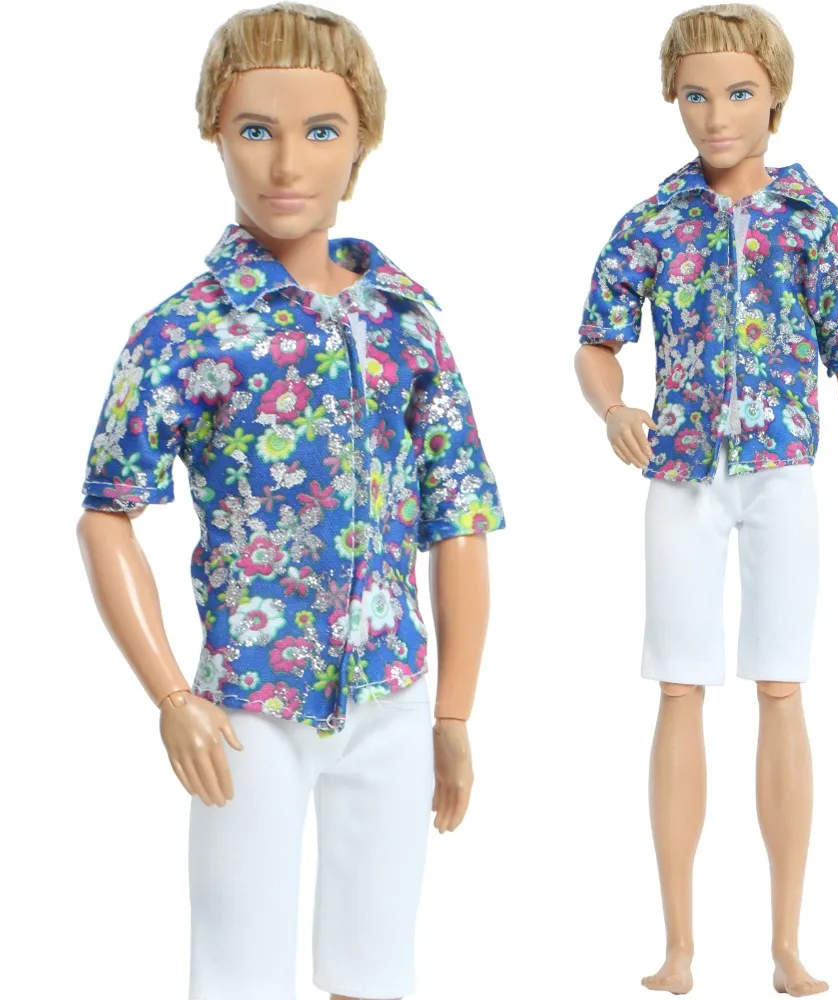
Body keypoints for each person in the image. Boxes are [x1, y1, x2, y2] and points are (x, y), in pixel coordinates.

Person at [76, 5, 504, 999]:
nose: (285, 164)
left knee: (377, 964)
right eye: (254, 129)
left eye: (320, 131)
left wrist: (452, 711)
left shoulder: (407, 322)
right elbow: (107, 511)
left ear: (362, 140)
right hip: (246, 704)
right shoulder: (183, 331)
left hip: (393, 693)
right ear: (214, 133)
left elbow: (460, 519)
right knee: (238, 966)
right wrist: (172, 698)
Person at [573, 4, 838, 996]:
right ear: (673, 98)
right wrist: (613, 406)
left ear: (775, 97)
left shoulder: (814, 220)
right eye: (696, 94)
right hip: (680, 477)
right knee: (679, 686)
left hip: (782, 471)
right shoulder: (653, 222)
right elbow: (595, 340)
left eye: (739, 92)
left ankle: (786, 943)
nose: (716, 115)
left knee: (782, 686)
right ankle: (679, 946)